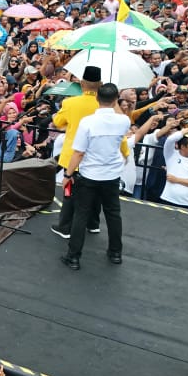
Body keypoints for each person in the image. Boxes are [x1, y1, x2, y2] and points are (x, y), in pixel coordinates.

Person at [60, 83, 130, 271]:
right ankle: (115, 253)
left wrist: (67, 174)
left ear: (97, 98)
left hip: (89, 174)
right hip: (112, 175)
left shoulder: (88, 122)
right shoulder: (123, 121)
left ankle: (73, 256)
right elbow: (120, 116)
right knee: (113, 214)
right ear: (116, 100)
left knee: (81, 215)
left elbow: (78, 153)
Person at [51, 66, 104, 240]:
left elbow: (58, 122)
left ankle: (64, 226)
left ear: (81, 84)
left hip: (74, 154)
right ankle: (93, 224)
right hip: (97, 156)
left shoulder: (70, 103)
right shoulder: (106, 106)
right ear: (100, 84)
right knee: (95, 192)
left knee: (70, 193)